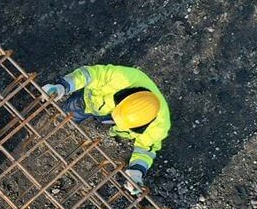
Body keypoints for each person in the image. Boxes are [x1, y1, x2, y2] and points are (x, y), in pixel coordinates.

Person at [41, 64, 170, 194]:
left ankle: (97, 125)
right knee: (64, 116)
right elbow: (88, 75)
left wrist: (137, 171)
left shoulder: (159, 127)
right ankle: (58, 123)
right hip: (88, 102)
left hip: (109, 113)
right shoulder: (121, 78)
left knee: (76, 122)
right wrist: (62, 86)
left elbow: (146, 149)